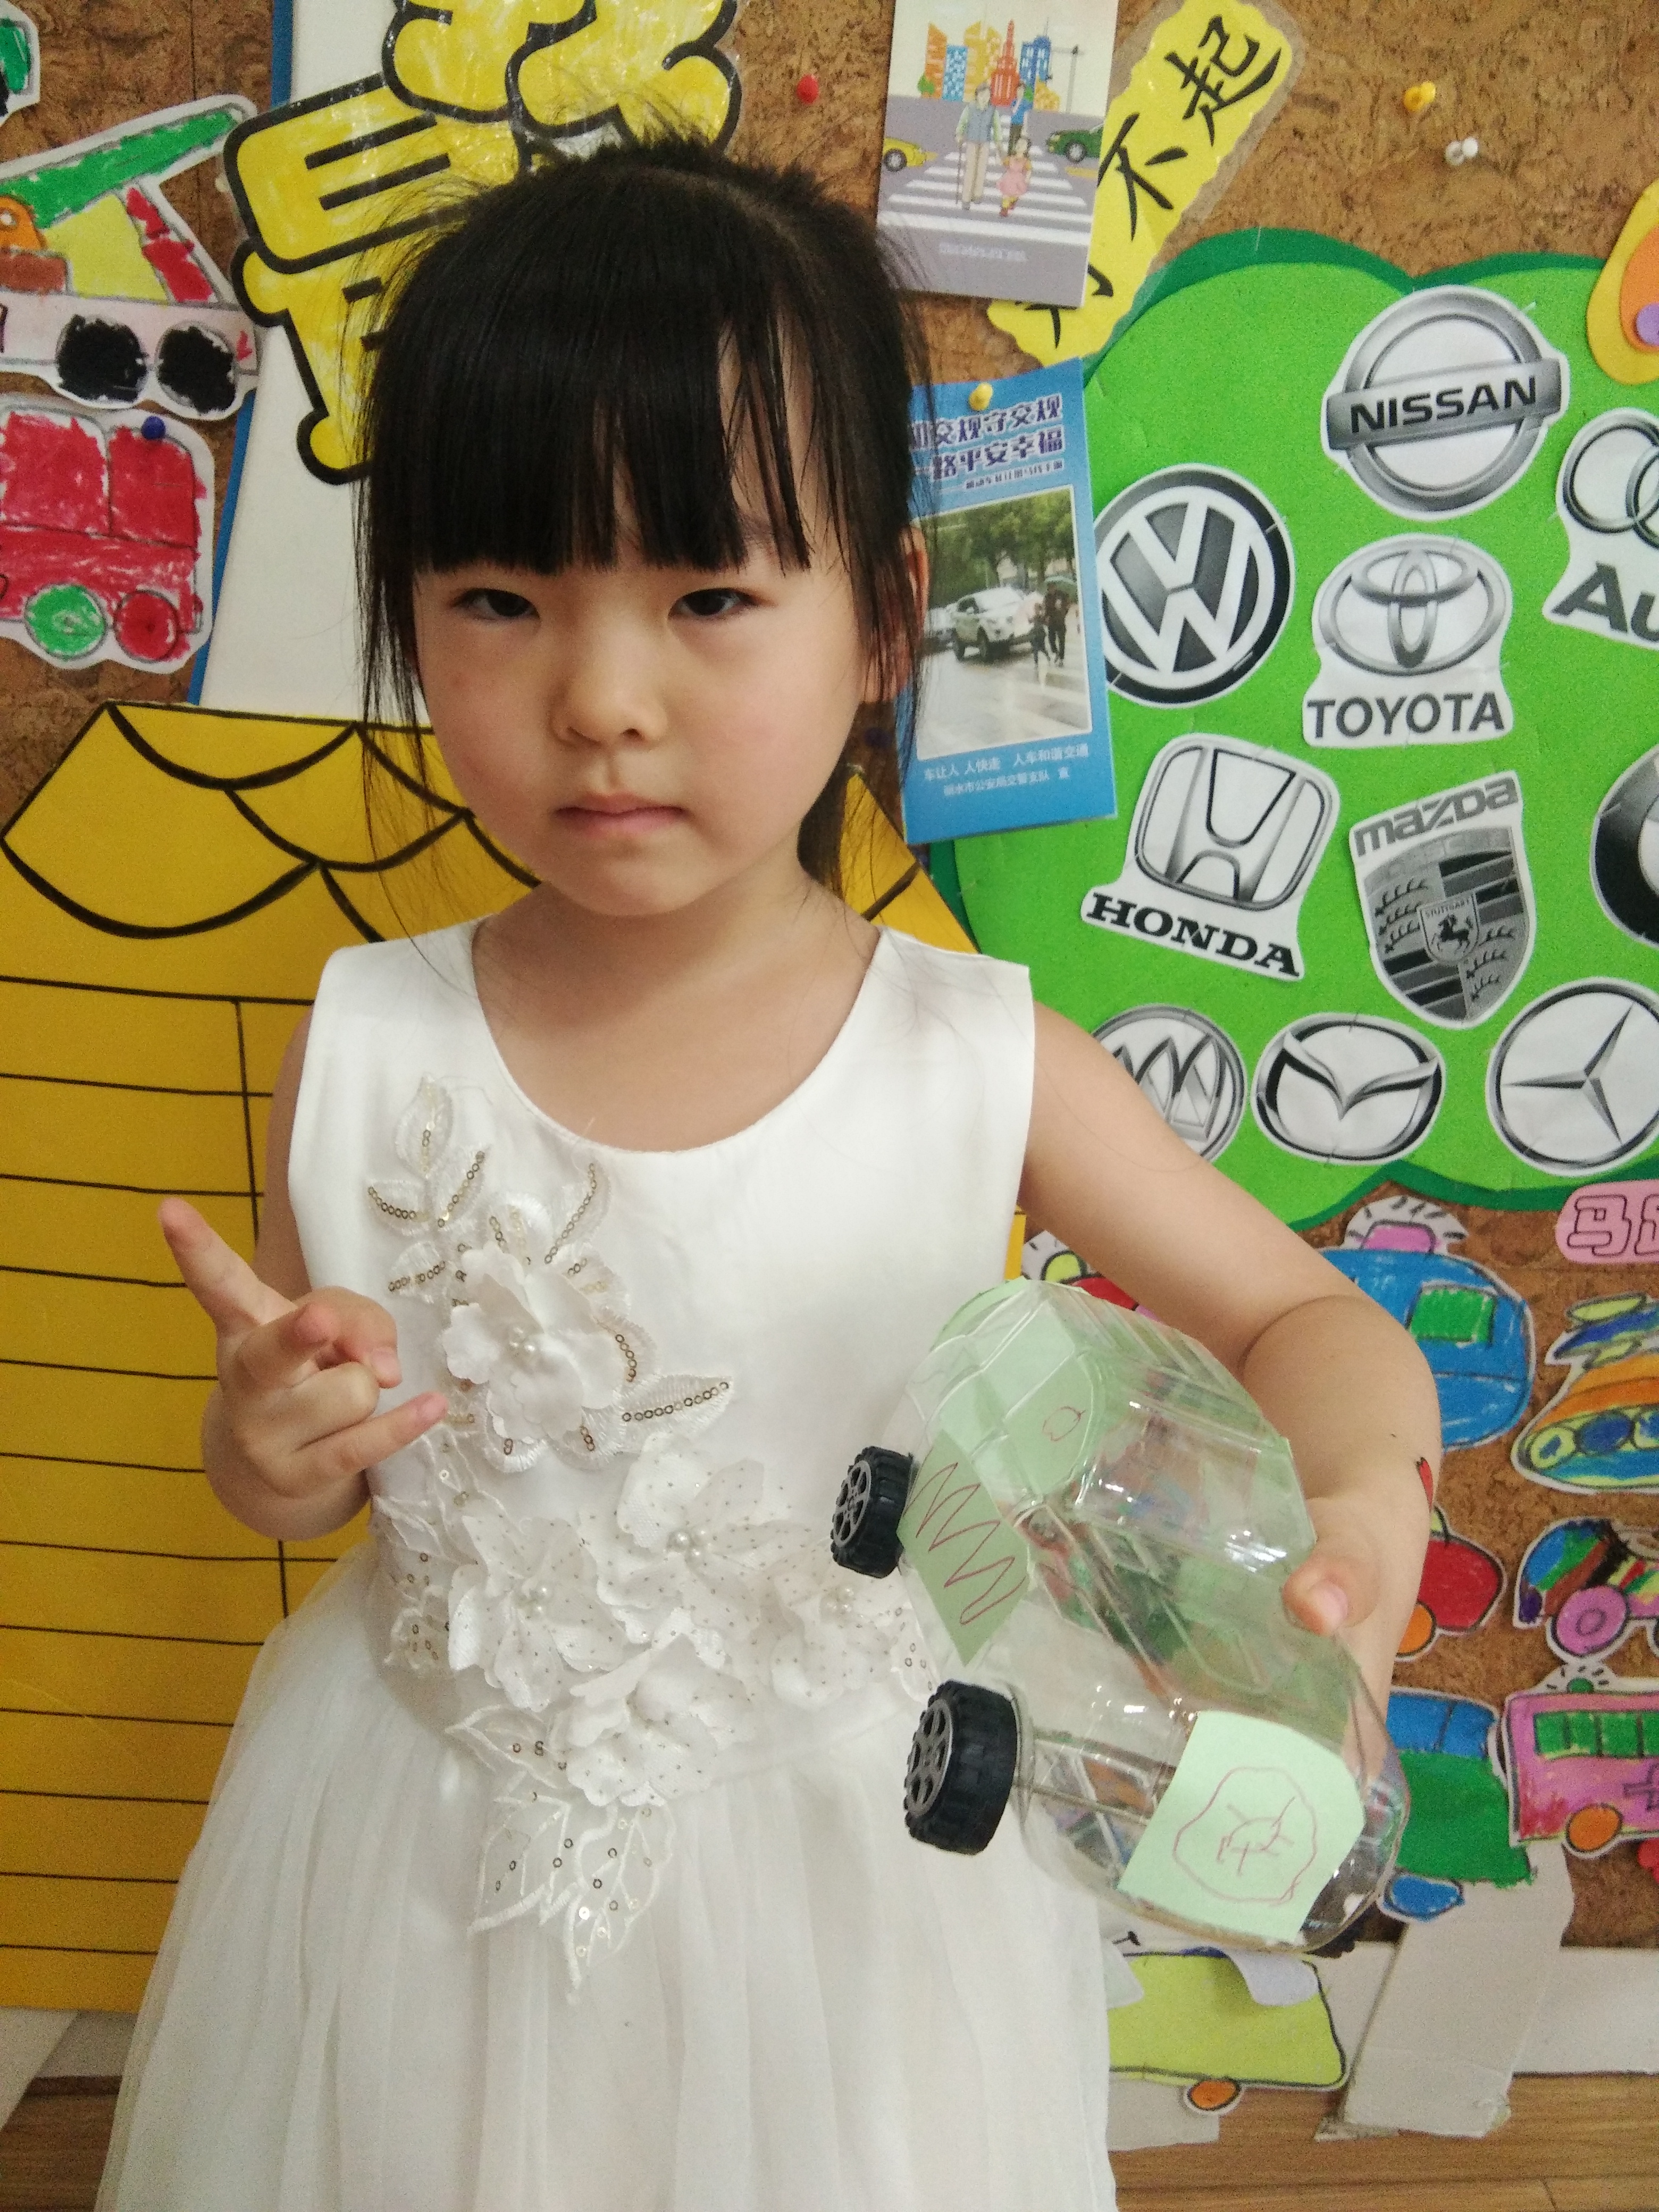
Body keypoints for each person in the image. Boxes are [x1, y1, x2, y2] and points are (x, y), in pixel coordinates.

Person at [98, 139, 1435, 2212]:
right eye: (499, 599)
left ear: (886, 619)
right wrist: (269, 1440)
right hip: (416, 1855)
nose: (602, 701)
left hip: (856, 1887)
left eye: (711, 597)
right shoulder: (369, 1036)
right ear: (410, 620)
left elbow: (1307, 1317)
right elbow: (315, 1470)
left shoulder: (976, 1057)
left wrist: (1357, 1518)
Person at [955, 81, 1001, 206]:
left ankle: (978, 195)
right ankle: (966, 198)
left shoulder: (993, 110)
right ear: (977, 95)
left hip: (985, 143)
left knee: (982, 170)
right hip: (972, 142)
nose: (985, 98)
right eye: (982, 95)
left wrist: (998, 143)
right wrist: (959, 134)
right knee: (970, 170)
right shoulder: (970, 108)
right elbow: (962, 122)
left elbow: (997, 127)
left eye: (988, 95)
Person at [999, 128, 1033, 217]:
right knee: (1006, 194)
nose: (1020, 146)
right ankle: (1004, 208)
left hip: (1018, 180)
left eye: (1023, 145)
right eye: (1018, 144)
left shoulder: (1025, 161)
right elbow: (1004, 163)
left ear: (1026, 149)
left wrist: (1028, 177)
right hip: (1009, 178)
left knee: (1015, 194)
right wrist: (999, 157)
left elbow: (1029, 169)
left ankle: (1013, 201)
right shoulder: (1011, 158)